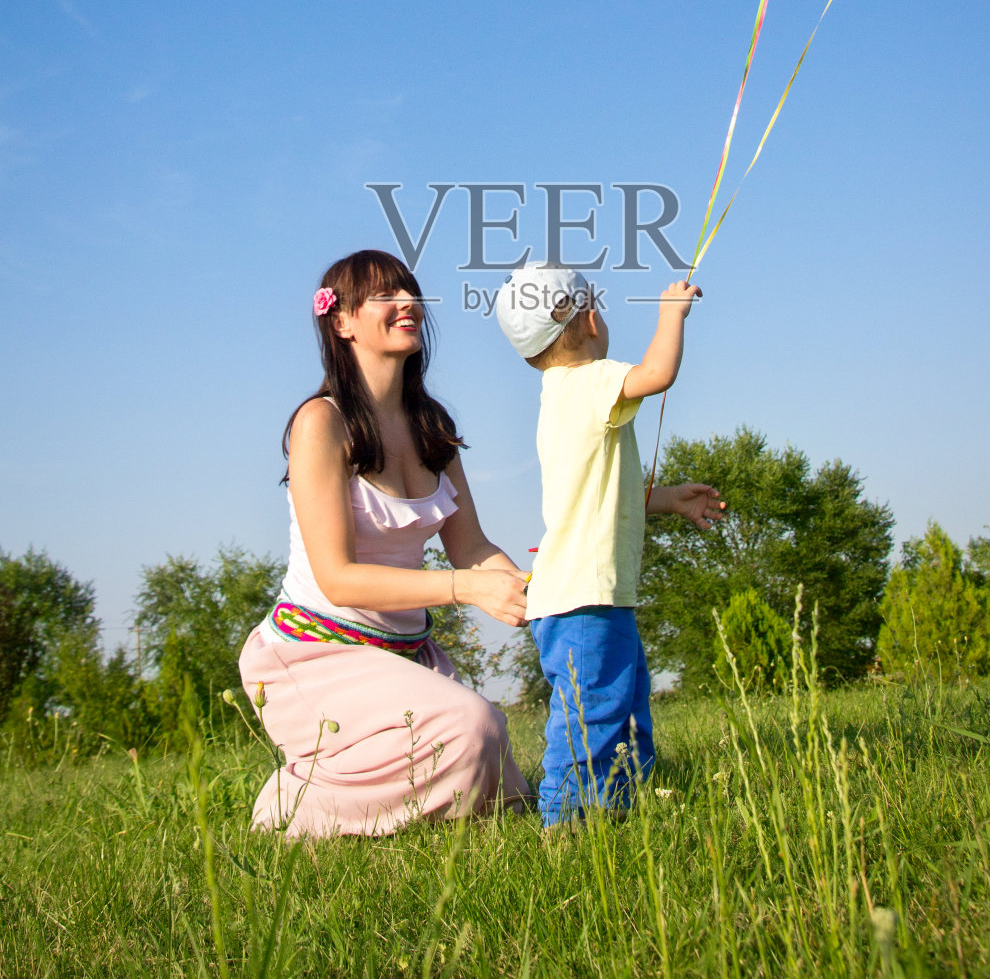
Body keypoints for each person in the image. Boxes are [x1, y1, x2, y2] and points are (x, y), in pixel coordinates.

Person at [239, 249, 532, 838]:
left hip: (404, 656)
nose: (408, 305)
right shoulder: (320, 424)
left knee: (502, 780)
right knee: (476, 730)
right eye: (385, 295)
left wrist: (535, 588)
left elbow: (470, 546)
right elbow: (337, 577)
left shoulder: (431, 426)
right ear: (340, 320)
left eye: (410, 292)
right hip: (313, 656)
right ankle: (292, 807)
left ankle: (348, 782)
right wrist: (468, 590)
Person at [496, 263, 724, 827]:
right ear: (590, 318)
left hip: (589, 596)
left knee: (620, 703)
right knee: (593, 711)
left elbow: (602, 493)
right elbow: (656, 373)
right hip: (582, 600)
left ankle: (621, 809)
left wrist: (669, 498)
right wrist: (672, 313)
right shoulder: (588, 381)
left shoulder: (563, 396)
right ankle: (568, 824)